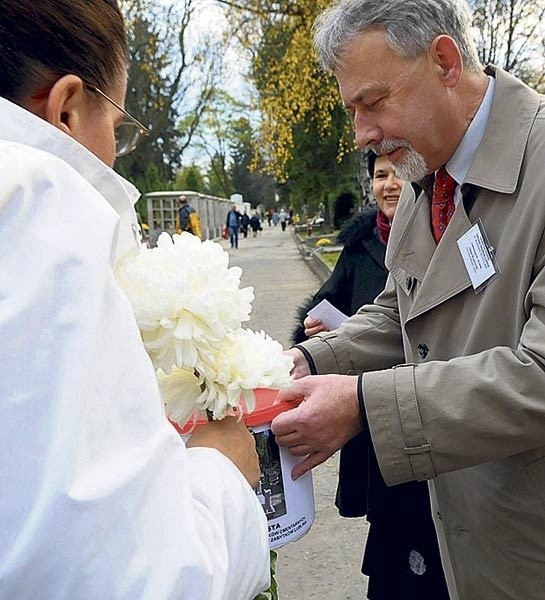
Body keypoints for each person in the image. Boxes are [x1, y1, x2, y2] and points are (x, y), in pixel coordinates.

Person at [271, 1, 545, 598]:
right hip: (450, 529)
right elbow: (402, 310)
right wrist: (312, 362)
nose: (364, 134)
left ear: (445, 61)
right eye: (354, 110)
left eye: (374, 102)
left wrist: (364, 407)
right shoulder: (428, 172)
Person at [0, 2, 269, 599]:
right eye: (117, 126)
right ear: (66, 108)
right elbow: (131, 580)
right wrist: (222, 471)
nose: (115, 152)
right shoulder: (37, 199)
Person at [292, 153, 449, 599]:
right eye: (381, 175)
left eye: (399, 173)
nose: (391, 185)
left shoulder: (454, 223)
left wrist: (362, 397)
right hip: (378, 423)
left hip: (426, 419)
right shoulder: (360, 246)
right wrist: (311, 352)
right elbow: (386, 314)